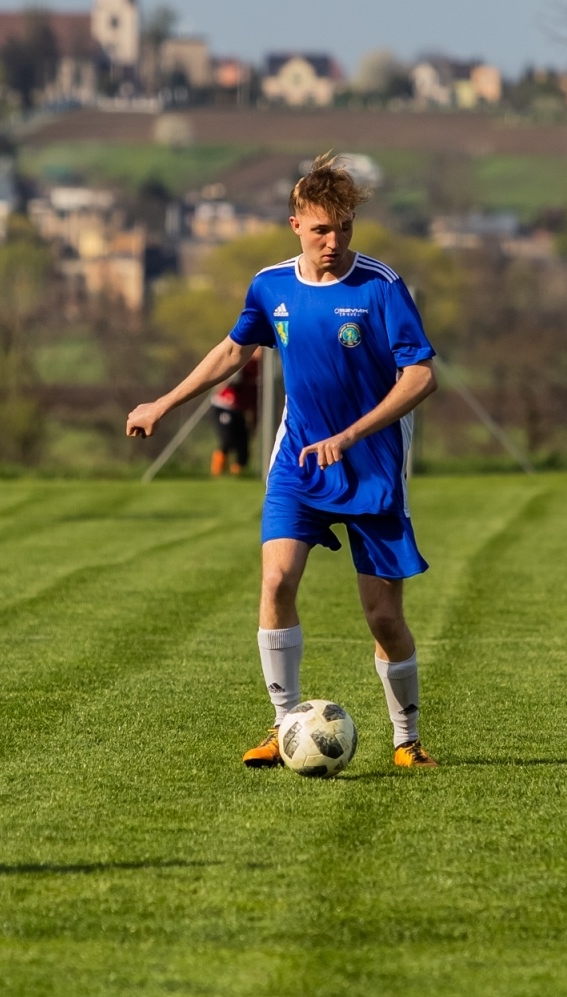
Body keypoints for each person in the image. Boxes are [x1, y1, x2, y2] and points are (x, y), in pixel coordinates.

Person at [126, 154, 441, 769]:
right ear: (295, 224)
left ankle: (406, 740)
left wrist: (349, 436)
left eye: (345, 228)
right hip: (298, 460)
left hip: (372, 463)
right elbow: (232, 350)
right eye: (322, 229)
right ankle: (283, 725)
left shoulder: (381, 287)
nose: (335, 241)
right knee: (275, 582)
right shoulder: (271, 286)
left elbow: (422, 377)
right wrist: (163, 403)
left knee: (382, 616)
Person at [209, 353, 260, 476]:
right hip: (225, 406)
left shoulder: (261, 368)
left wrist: (254, 418)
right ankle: (217, 472)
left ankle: (239, 474)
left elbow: (254, 398)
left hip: (240, 410)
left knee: (243, 444)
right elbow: (228, 379)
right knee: (227, 439)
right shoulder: (244, 362)